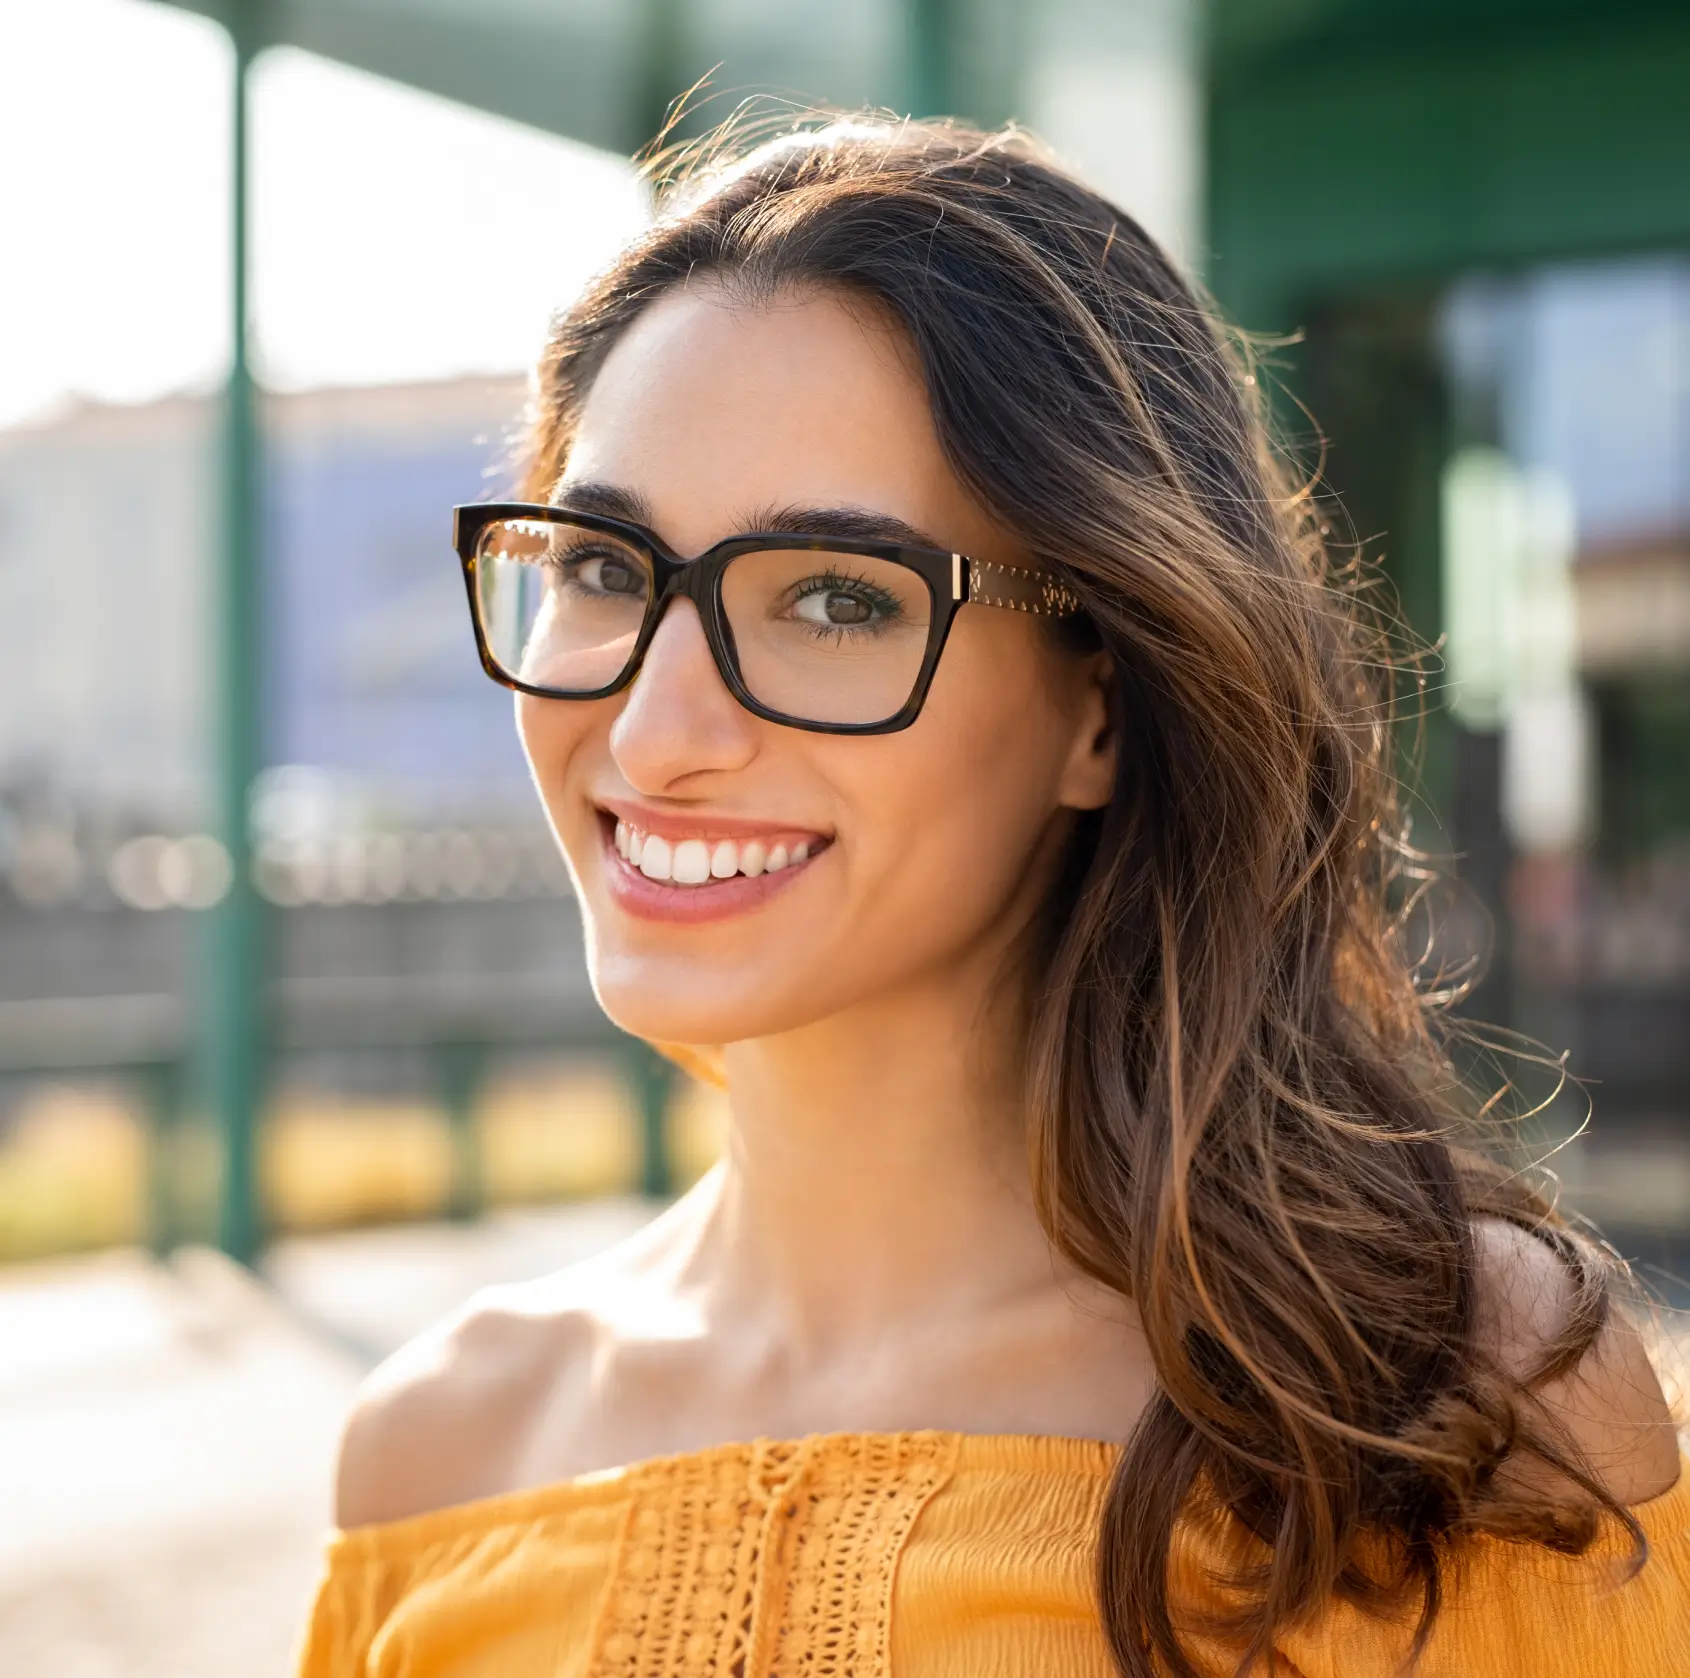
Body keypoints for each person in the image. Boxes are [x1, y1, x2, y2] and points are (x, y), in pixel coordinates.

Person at [295, 118, 1685, 1678]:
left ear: (1099, 702)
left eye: (835, 597)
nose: (655, 730)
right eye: (607, 568)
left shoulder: (1449, 1403)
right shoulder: (435, 1454)